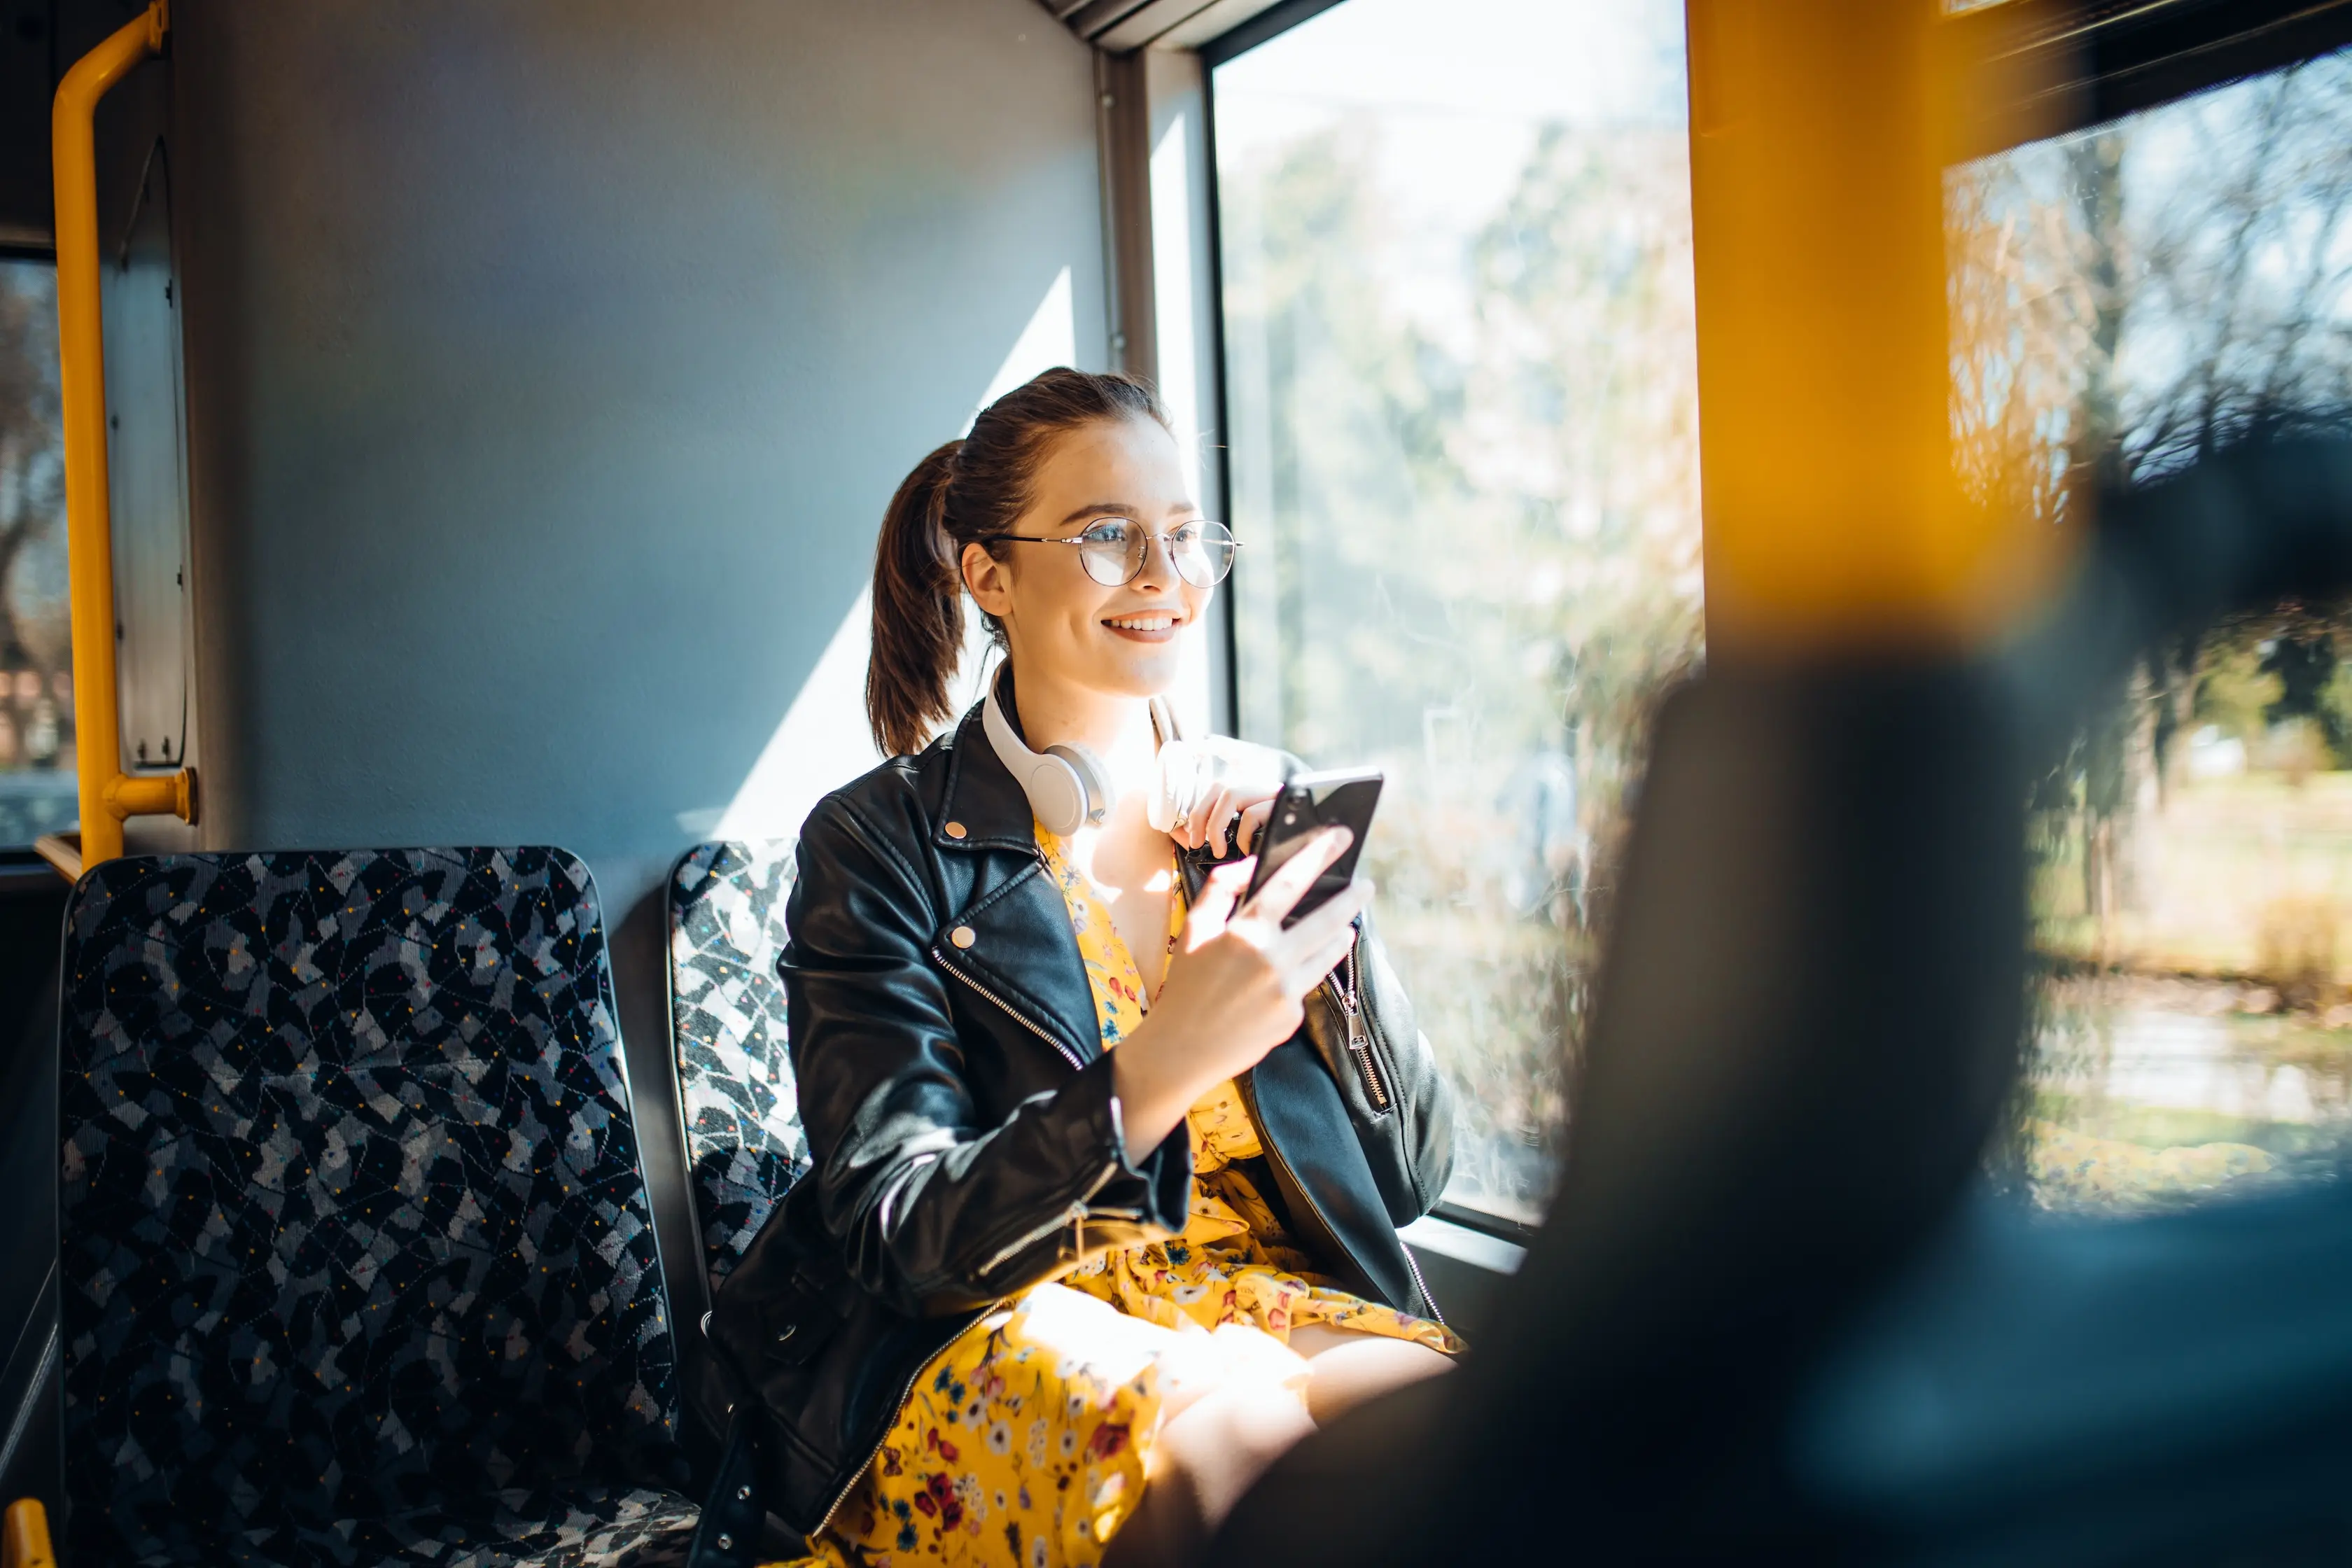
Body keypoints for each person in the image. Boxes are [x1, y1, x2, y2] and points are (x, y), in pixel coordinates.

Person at [711, 368, 1460, 1568]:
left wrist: (1322, 917)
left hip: (1258, 1294)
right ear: (989, 574)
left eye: (1182, 535)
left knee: (1458, 1440)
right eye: (1109, 536)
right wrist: (1163, 1062)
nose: (1163, 576)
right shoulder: (873, 845)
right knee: (1239, 1455)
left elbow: (1415, 1177)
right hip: (996, 1324)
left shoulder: (1261, 808)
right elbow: (903, 1236)